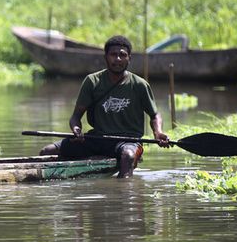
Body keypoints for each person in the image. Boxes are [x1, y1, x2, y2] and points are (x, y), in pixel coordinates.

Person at [40, 35, 169, 178]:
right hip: (98, 139)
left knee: (128, 156)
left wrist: (158, 132)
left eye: (122, 55)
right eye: (113, 55)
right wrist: (77, 130)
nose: (118, 59)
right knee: (47, 151)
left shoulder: (139, 85)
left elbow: (154, 115)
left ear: (129, 58)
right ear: (106, 57)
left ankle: (123, 193)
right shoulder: (92, 81)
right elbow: (76, 117)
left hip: (127, 141)